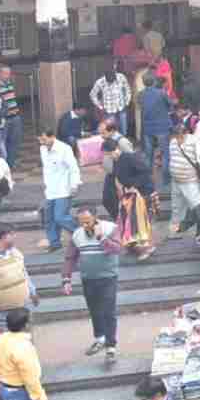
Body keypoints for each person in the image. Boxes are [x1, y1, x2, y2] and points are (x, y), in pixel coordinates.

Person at [61, 207, 123, 360]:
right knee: (94, 310)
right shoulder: (77, 234)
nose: (84, 225)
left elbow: (117, 249)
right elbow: (70, 258)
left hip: (108, 277)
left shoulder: (110, 228)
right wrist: (66, 279)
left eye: (87, 221)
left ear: (96, 217)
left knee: (109, 311)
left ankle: (111, 346)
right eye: (81, 222)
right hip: (88, 278)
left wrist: (101, 237)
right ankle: (99, 339)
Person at [110, 139, 158, 260]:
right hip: (130, 196)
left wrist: (134, 185)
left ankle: (145, 248)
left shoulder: (129, 158)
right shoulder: (117, 161)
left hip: (142, 194)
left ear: (116, 149)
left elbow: (145, 171)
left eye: (110, 152)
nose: (110, 155)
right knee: (132, 223)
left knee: (140, 222)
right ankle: (135, 247)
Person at [39, 128, 81, 253]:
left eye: (44, 139)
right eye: (40, 139)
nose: (42, 141)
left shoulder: (64, 148)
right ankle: (54, 243)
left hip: (64, 189)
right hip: (50, 190)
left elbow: (73, 168)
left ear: (52, 137)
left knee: (60, 217)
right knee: (49, 219)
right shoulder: (42, 149)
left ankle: (83, 233)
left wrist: (74, 185)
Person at [166, 124, 200, 237]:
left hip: (190, 181)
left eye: (180, 136)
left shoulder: (195, 142)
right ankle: (175, 232)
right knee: (176, 208)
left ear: (186, 134)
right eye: (176, 136)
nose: (177, 139)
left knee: (197, 207)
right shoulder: (173, 142)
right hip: (176, 181)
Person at [138, 74, 173, 185]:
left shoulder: (141, 95)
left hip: (148, 128)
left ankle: (149, 180)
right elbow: (170, 105)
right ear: (154, 82)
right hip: (162, 127)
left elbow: (141, 107)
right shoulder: (161, 93)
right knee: (165, 153)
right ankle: (166, 181)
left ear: (143, 83)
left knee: (149, 155)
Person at [0, 66, 24, 169]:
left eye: (9, 73)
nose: (8, 75)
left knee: (15, 141)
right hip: (5, 118)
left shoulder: (8, 83)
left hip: (15, 116)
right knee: (3, 142)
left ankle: (10, 163)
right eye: (5, 73)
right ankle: (3, 164)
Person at [91, 65, 133, 135]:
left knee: (124, 130)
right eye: (109, 81)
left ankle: (123, 141)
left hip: (122, 108)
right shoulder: (100, 82)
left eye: (113, 80)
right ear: (105, 77)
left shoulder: (121, 77)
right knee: (112, 130)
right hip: (109, 110)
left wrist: (127, 102)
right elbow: (92, 95)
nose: (112, 82)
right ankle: (114, 143)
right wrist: (100, 106)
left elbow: (128, 90)